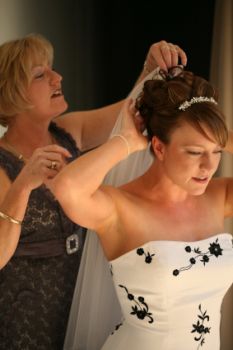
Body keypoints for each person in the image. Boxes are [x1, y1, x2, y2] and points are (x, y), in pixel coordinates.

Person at [0, 33, 187, 350]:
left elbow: (131, 114)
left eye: (52, 68)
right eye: (41, 74)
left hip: (82, 302)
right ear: (12, 95)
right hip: (25, 315)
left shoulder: (69, 131)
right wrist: (22, 186)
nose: (57, 77)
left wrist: (150, 68)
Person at [48, 66, 233, 350]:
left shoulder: (217, 197)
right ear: (159, 148)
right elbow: (66, 188)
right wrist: (125, 142)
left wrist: (215, 132)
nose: (209, 167)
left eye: (216, 152)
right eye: (195, 152)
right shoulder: (119, 209)